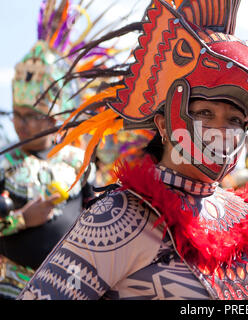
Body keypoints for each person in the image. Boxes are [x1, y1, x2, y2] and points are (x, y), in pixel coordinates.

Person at [18, 0, 248, 300]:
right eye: (204, 113)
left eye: (235, 119)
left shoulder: (241, 216)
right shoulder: (120, 217)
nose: (221, 130)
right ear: (163, 123)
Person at [0, 0, 122, 299]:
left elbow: (98, 219)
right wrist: (22, 220)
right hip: (10, 287)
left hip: (70, 288)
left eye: (32, 115)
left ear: (56, 118)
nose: (21, 124)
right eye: (17, 114)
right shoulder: (4, 163)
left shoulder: (78, 162)